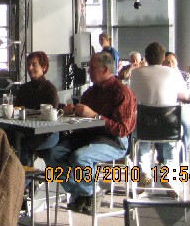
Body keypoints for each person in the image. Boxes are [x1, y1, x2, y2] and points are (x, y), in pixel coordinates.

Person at [48, 52, 136, 214]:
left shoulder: (122, 93)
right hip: (88, 137)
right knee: (53, 155)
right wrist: (72, 112)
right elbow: (83, 120)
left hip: (114, 140)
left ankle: (86, 193)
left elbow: (123, 129)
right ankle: (86, 192)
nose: (88, 71)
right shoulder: (90, 93)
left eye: (92, 68)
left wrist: (96, 116)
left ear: (105, 70)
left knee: (81, 157)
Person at [129, 42, 188, 194]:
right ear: (163, 58)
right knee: (171, 144)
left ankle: (144, 172)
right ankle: (169, 174)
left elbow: (132, 96)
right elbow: (184, 95)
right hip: (168, 126)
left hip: (144, 126)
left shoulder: (136, 73)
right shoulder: (173, 73)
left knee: (142, 141)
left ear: (146, 58)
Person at [13, 51, 60, 164]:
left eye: (34, 64)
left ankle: (23, 174)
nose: (30, 68)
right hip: (26, 130)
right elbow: (16, 111)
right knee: (9, 138)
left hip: (47, 133)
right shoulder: (23, 89)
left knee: (20, 145)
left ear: (44, 67)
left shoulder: (50, 90)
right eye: (28, 64)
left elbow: (50, 119)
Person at [161, 51, 190, 164]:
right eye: (167, 62)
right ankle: (162, 156)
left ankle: (182, 154)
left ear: (177, 62)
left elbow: (188, 92)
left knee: (187, 126)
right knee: (160, 127)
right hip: (164, 108)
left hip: (181, 106)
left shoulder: (184, 75)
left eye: (172, 61)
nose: (170, 64)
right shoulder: (160, 75)